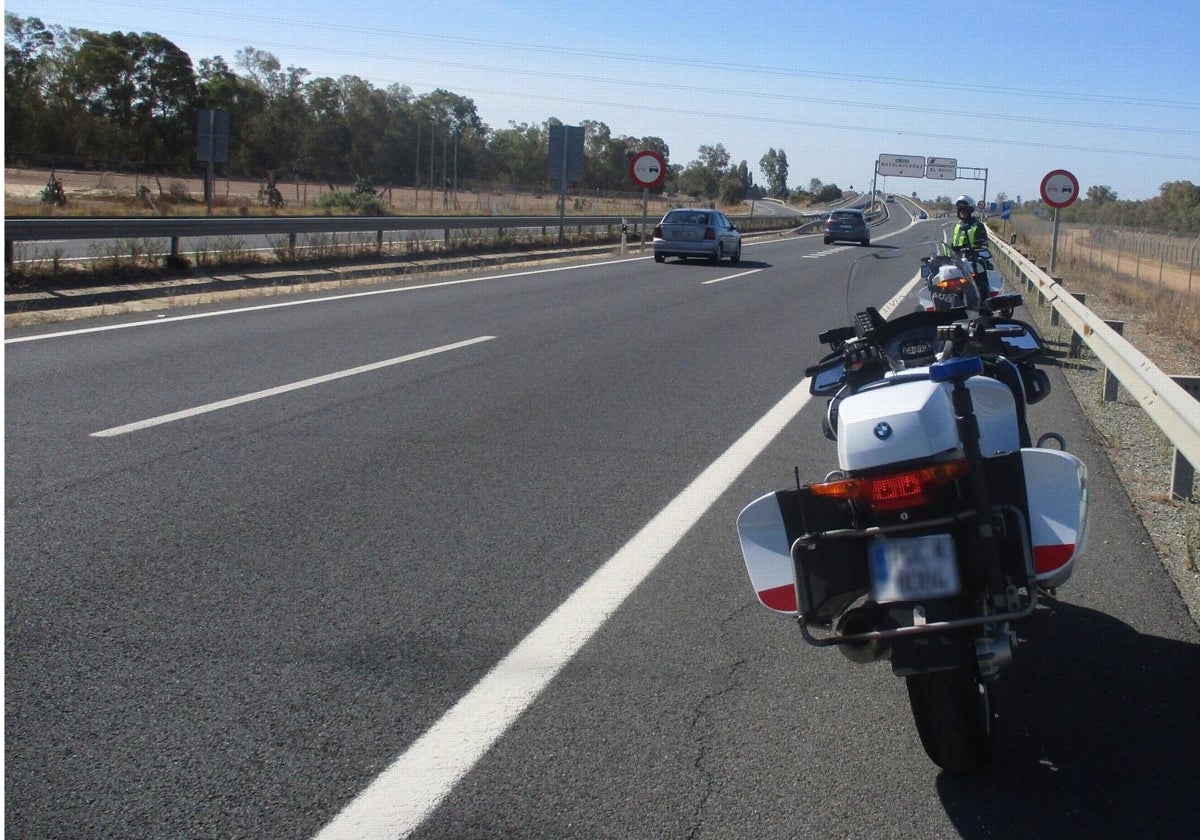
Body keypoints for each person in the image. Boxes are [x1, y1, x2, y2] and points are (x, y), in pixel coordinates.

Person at [950, 195, 990, 299]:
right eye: (960, 210)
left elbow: (984, 244)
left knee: (982, 265)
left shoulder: (977, 225)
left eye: (964, 210)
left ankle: (986, 299)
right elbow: (953, 244)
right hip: (957, 260)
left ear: (970, 210)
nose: (961, 212)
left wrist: (973, 250)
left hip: (973, 259)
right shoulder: (957, 226)